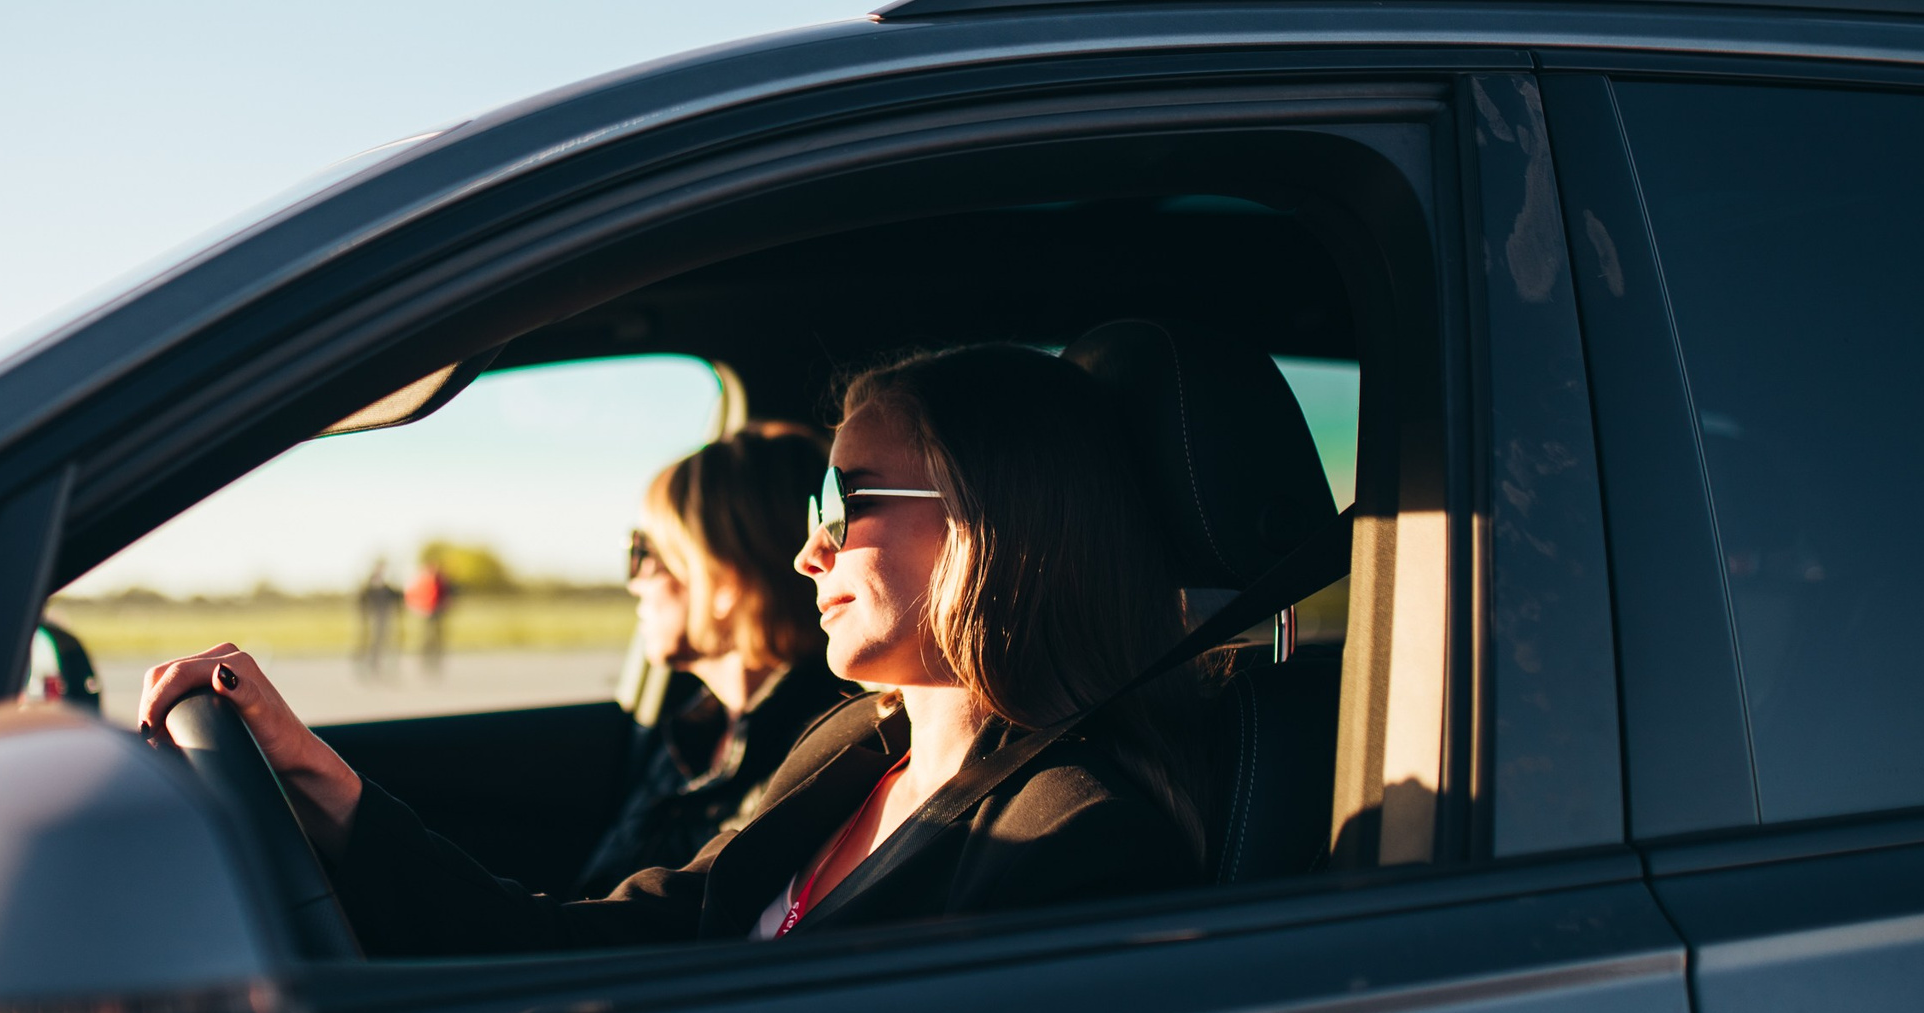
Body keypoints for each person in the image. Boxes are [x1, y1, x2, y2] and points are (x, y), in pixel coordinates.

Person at [141, 344, 1209, 955]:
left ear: (995, 518)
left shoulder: (1079, 843)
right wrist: (312, 775)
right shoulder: (852, 747)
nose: (809, 549)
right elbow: (604, 946)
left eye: (848, 499)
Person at [572, 425, 854, 899]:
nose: (633, 582)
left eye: (645, 553)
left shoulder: (817, 756)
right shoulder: (699, 727)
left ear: (726, 579)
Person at [355, 560, 400, 679]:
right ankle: (366, 663)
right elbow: (363, 601)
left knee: (381, 641)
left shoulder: (386, 586)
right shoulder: (369, 585)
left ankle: (376, 664)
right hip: (372, 617)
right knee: (370, 642)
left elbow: (395, 597)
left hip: (383, 616)